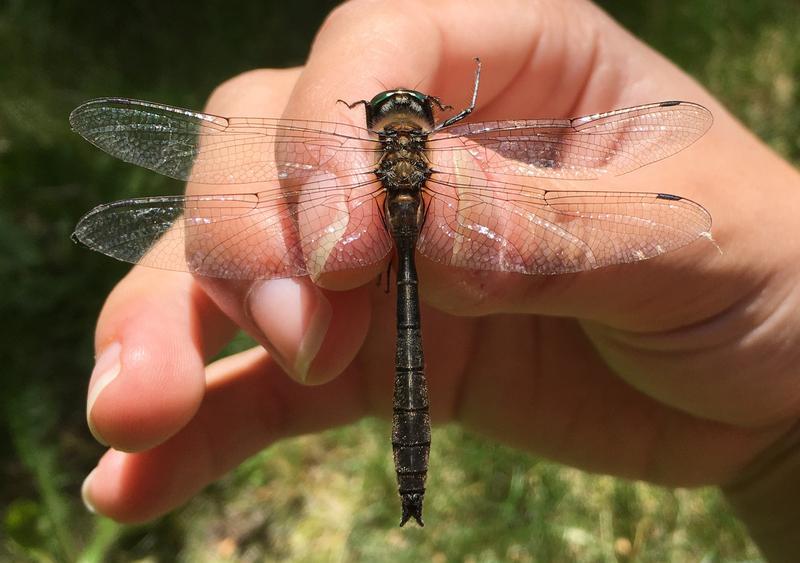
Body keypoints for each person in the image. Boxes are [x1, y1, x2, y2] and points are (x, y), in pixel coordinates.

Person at [80, 0, 800, 559]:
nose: (399, 114)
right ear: (429, 122)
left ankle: (410, 477)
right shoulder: (439, 142)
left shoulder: (368, 160)